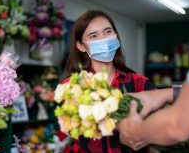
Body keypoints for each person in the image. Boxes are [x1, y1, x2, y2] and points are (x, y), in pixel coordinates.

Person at [60, 9, 155, 153]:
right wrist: (122, 138)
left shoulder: (139, 83)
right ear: (81, 46)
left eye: (107, 32)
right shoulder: (70, 88)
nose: (103, 39)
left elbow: (163, 120)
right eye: (93, 36)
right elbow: (83, 138)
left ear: (115, 35)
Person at [118, 13, 189, 152]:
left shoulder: (137, 81)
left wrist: (135, 131)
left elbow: (177, 125)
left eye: (108, 32)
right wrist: (167, 93)